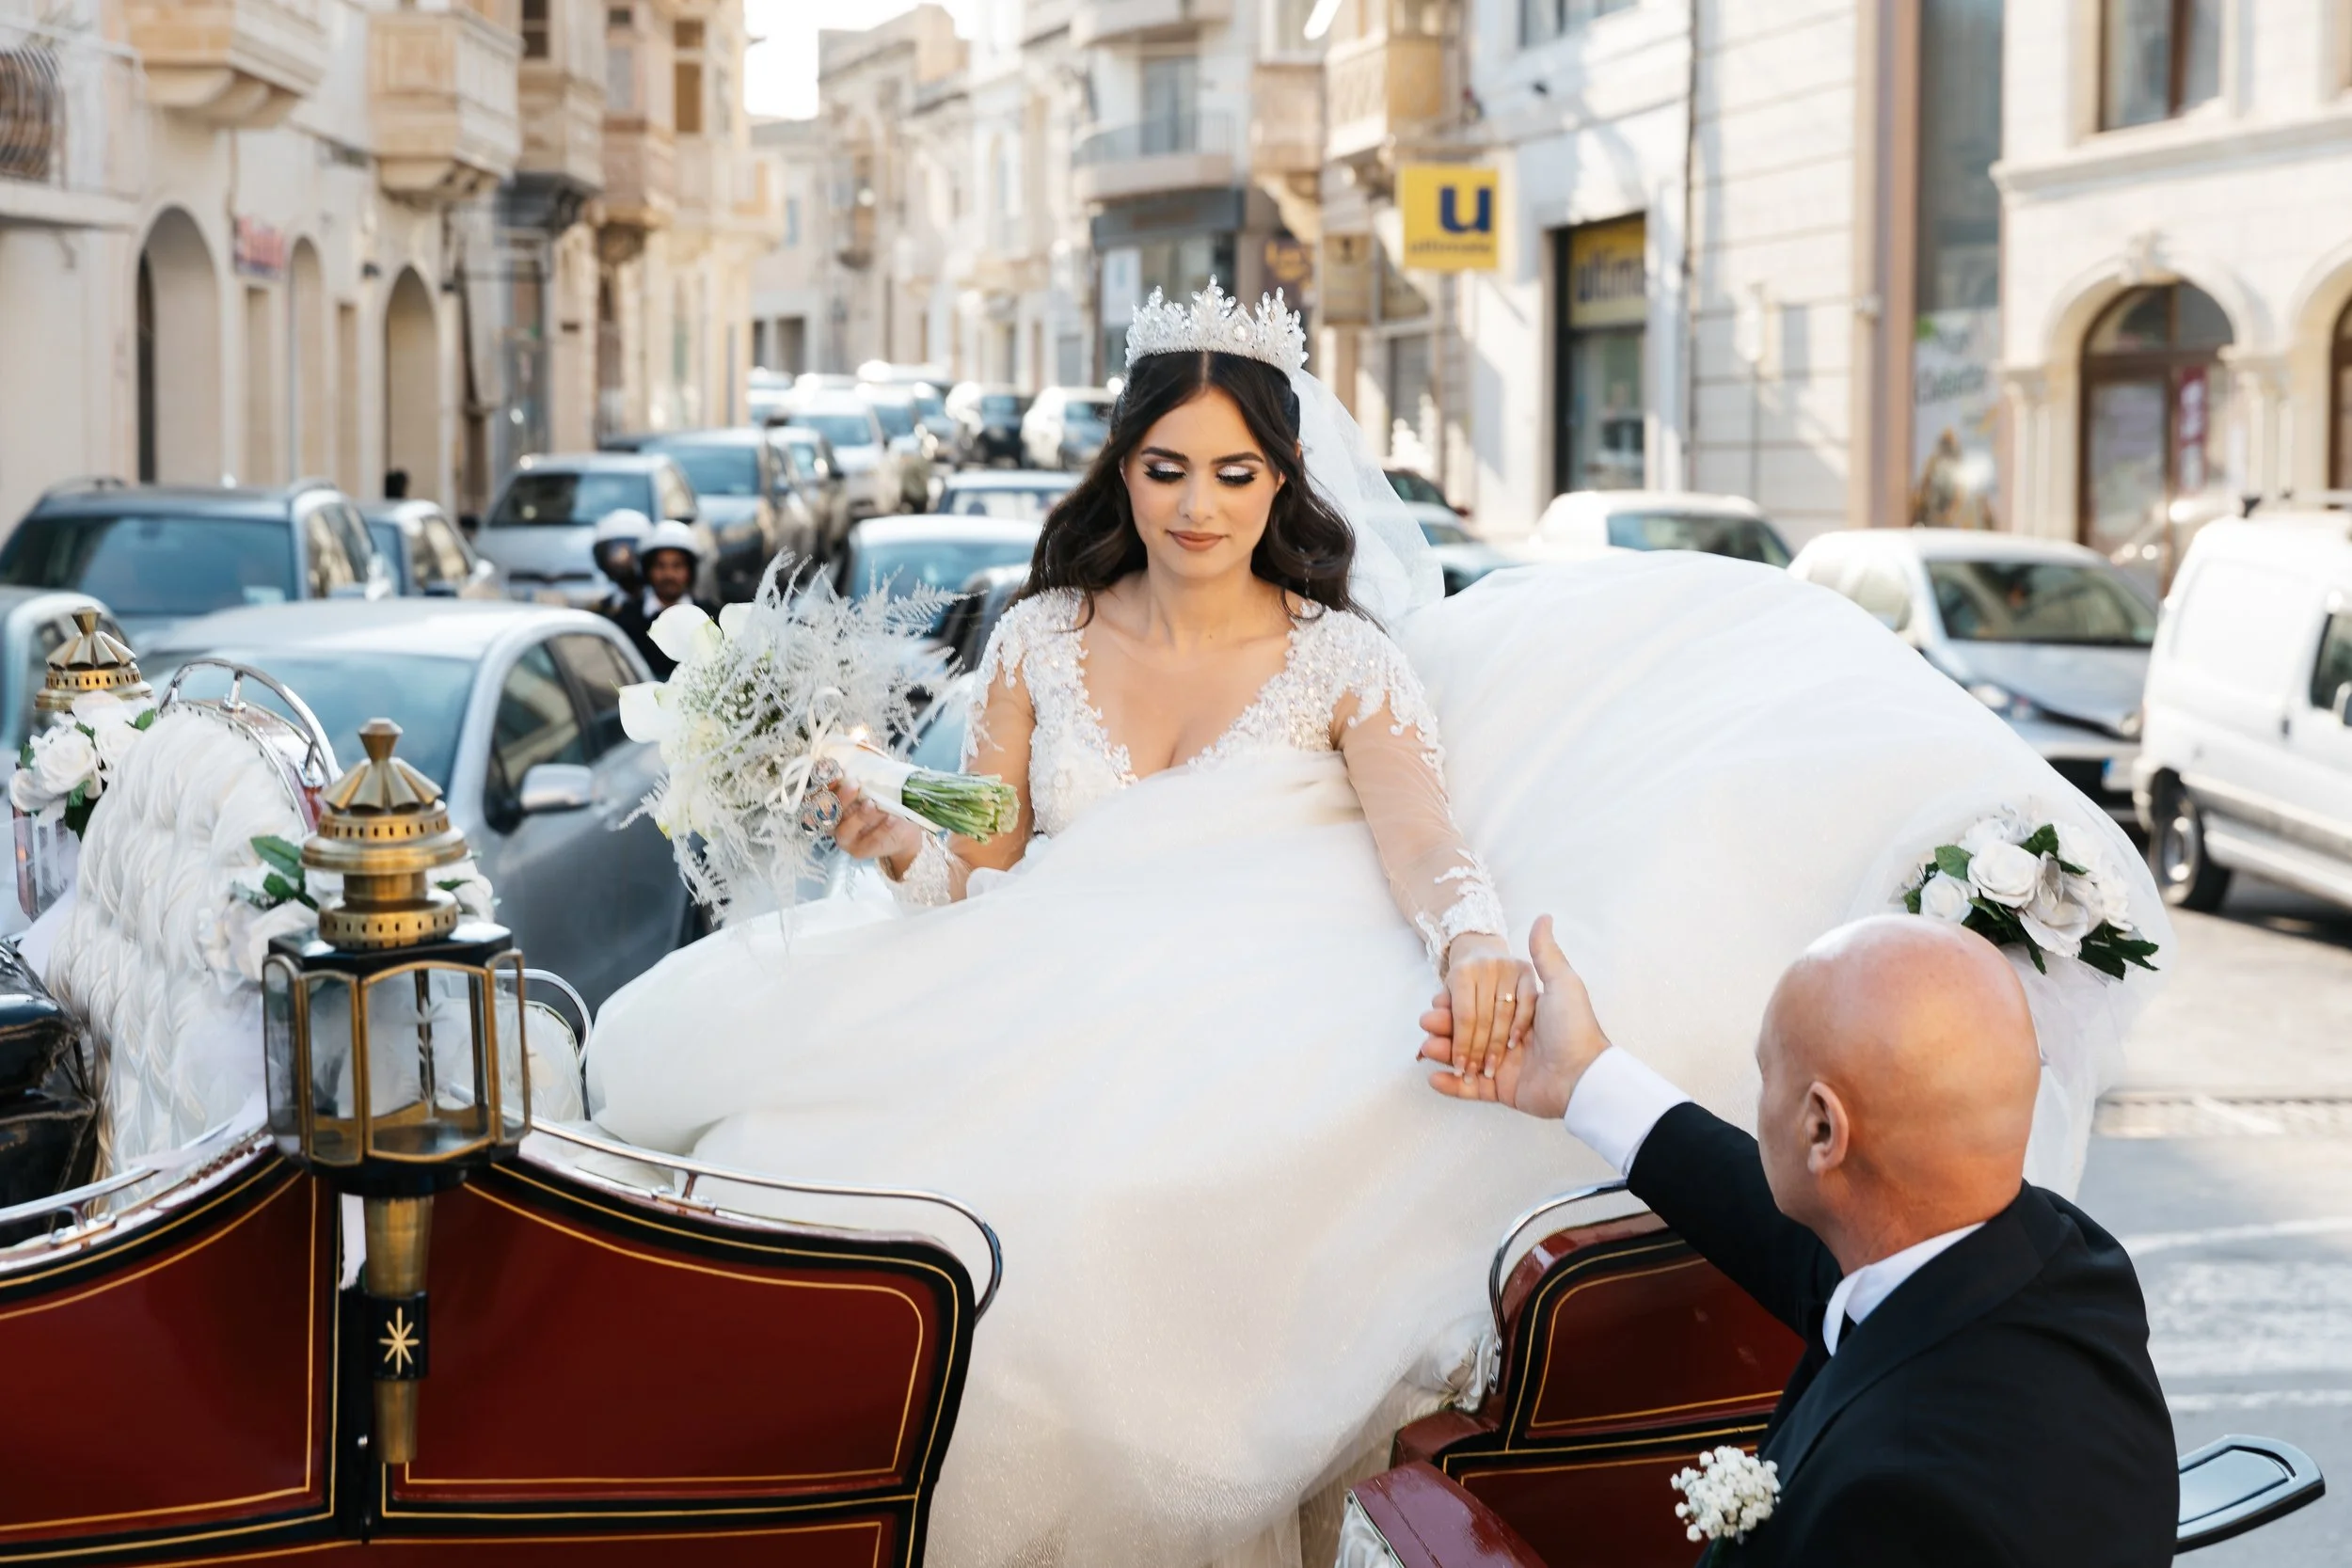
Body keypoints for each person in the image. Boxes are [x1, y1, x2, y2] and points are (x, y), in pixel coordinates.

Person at [586, 285, 2171, 1568]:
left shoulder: (1342, 656)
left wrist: (1475, 945)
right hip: (1039, 979)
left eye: (1235, 471)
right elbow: (983, 852)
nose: (1199, 504)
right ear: (1119, 473)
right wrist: (893, 834)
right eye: (1166, 467)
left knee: (1111, 1262)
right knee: (878, 1220)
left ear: (1280, 483)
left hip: (1249, 998)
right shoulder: (1038, 638)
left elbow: (1426, 847)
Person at [1418, 914, 2176, 1566]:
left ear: (1822, 1126)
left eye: (1763, 1072)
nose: (1758, 1100)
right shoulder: (2068, 1265)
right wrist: (1583, 1077)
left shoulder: (1888, 1505)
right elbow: (1796, 1245)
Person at [610, 519, 717, 678]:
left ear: (690, 571)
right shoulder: (626, 619)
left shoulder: (712, 616)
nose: (669, 575)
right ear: (648, 570)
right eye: (660, 566)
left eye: (677, 566)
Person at [589, 507, 649, 617]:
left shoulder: (659, 606)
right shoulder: (601, 609)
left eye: (632, 549)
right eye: (615, 551)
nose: (623, 559)